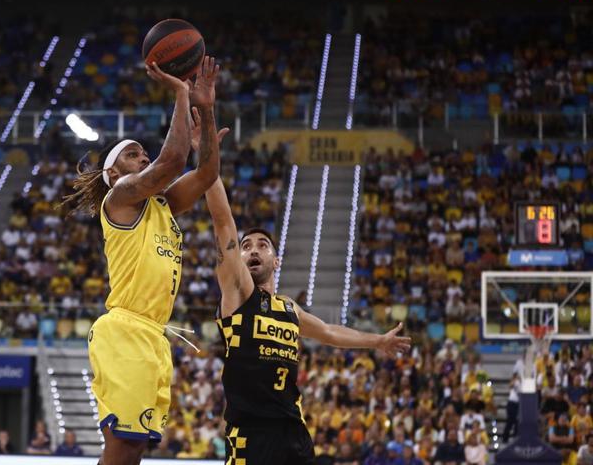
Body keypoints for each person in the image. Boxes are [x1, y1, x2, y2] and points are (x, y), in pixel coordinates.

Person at [60, 56, 223, 465]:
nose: (143, 157)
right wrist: (182, 95)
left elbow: (206, 175)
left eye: (141, 152)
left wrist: (205, 108)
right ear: (114, 175)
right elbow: (172, 163)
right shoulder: (120, 199)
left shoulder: (162, 204)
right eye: (133, 155)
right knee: (120, 446)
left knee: (135, 447)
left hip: (153, 334)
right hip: (126, 329)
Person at [203, 170, 411, 465]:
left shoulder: (289, 308)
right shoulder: (238, 296)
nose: (252, 250)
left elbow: (329, 332)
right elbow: (223, 223)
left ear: (276, 261)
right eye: (246, 246)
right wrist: (210, 168)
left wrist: (377, 340)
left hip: (293, 431)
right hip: (252, 431)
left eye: (262, 245)